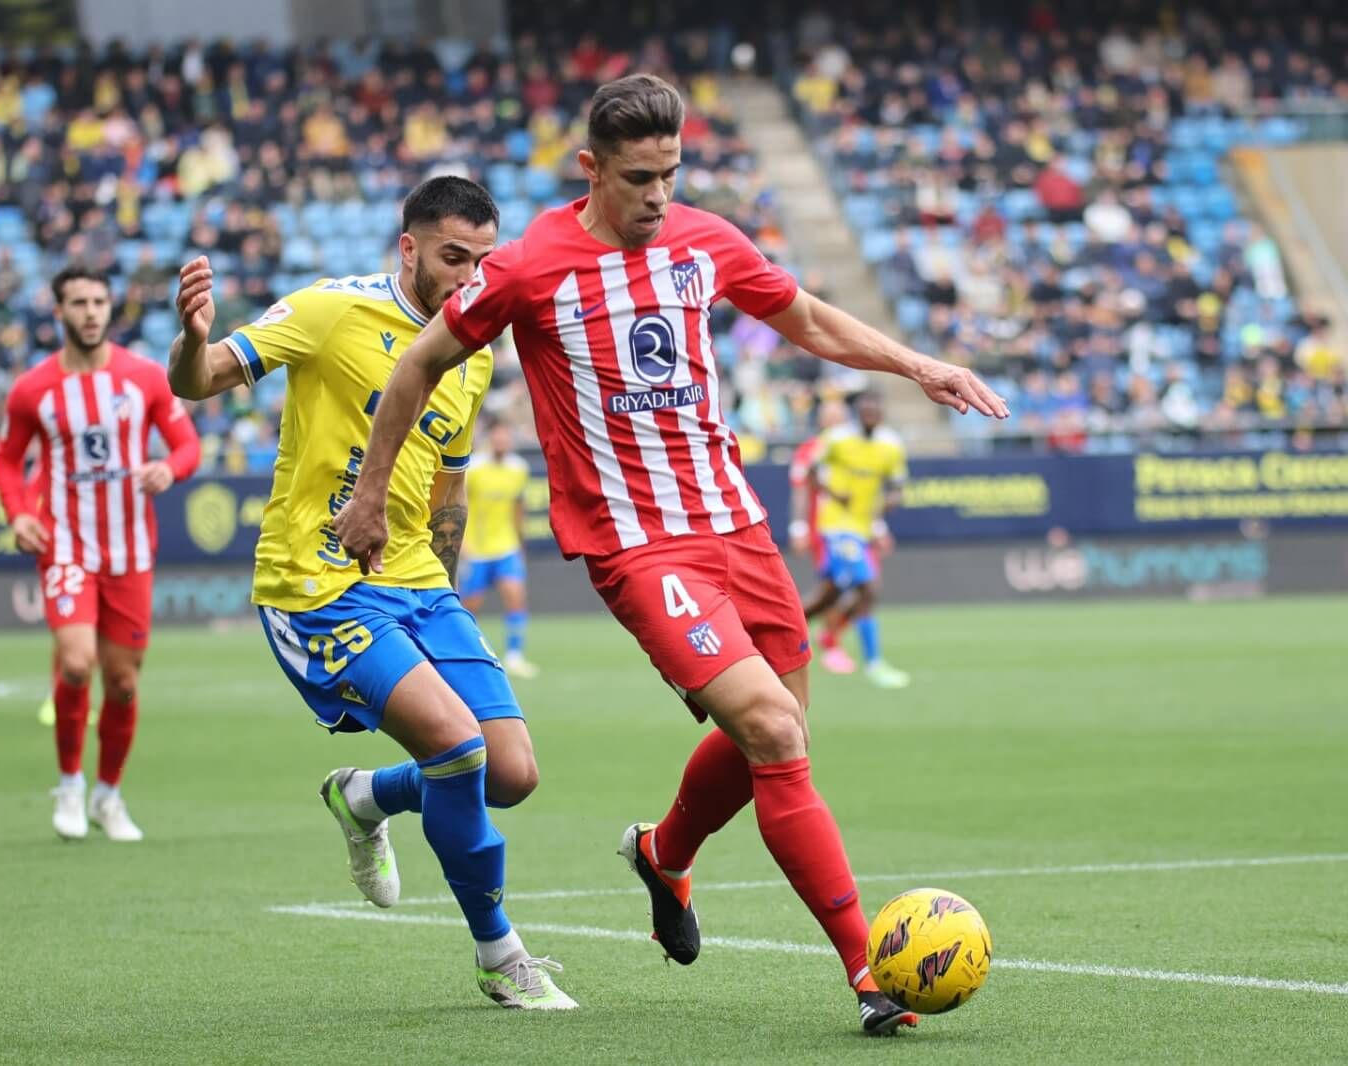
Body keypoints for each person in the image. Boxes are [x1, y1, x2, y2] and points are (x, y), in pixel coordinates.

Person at [331, 74, 1007, 1036]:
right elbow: (418, 363)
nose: (658, 195)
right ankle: (870, 973)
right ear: (592, 169)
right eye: (641, 177)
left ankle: (664, 850)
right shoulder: (529, 267)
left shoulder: (705, 240)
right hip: (639, 546)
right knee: (772, 731)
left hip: (736, 523)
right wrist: (370, 492)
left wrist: (921, 365)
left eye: (672, 173)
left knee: (780, 735)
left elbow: (805, 317)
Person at [166, 176, 575, 1010]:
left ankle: (366, 794)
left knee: (513, 772)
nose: (469, 278)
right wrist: (191, 337)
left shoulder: (475, 347)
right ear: (409, 248)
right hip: (318, 586)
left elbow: (448, 490)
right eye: (453, 258)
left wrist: (444, 606)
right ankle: (501, 957)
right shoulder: (329, 310)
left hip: (419, 586)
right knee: (459, 750)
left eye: (482, 261)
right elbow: (199, 380)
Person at [0, 265, 201, 841]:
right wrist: (19, 515)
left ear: (110, 309)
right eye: (78, 302)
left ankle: (108, 794)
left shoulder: (144, 378)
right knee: (77, 662)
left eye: (99, 301)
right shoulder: (33, 388)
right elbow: (8, 460)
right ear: (58, 312)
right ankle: (68, 784)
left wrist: (169, 467)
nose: (90, 312)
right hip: (64, 544)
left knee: (123, 683)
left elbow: (187, 444)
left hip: (130, 550)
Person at [795, 391, 911, 688]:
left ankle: (789, 630)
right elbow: (810, 470)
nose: (870, 414)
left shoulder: (891, 445)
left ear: (881, 414)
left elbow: (896, 484)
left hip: (862, 528)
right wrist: (832, 494)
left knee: (830, 594)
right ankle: (874, 663)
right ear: (857, 413)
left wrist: (889, 505)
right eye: (865, 410)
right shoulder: (837, 439)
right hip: (835, 524)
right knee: (869, 586)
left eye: (875, 410)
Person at [459, 421, 538, 678]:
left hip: (506, 547)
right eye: (498, 437)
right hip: (477, 549)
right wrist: (461, 542)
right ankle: (465, 656)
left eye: (506, 437)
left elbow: (517, 507)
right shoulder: (474, 468)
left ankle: (515, 656)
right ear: (490, 439)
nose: (502, 442)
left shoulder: (519, 469)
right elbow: (459, 501)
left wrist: (520, 542)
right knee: (469, 607)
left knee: (516, 597)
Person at [787, 398, 852, 671]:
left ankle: (799, 630)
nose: (835, 420)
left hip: (853, 527)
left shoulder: (854, 447)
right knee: (837, 584)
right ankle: (829, 644)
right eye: (830, 416)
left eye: (839, 415)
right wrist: (799, 526)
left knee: (858, 587)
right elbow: (801, 488)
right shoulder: (811, 450)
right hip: (824, 528)